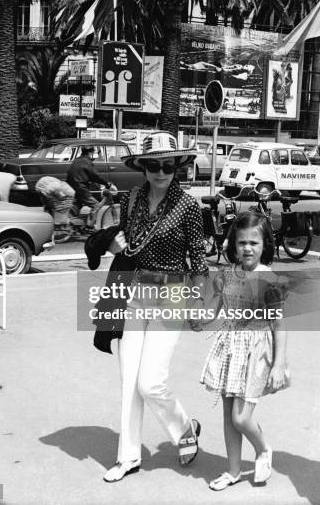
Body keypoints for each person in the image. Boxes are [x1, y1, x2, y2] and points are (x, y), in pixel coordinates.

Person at [100, 131, 208, 483]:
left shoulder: (189, 206)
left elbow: (198, 261)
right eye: (153, 166)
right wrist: (113, 247)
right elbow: (125, 245)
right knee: (129, 381)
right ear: (143, 168)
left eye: (167, 165)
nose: (161, 172)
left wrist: (198, 303)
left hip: (172, 297)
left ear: (177, 166)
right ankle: (128, 457)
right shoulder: (131, 199)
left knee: (151, 383)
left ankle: (183, 429)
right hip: (134, 296)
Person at [200, 211, 289, 491]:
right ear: (233, 245)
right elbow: (213, 310)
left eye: (254, 242)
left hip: (257, 351)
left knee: (241, 417)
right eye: (241, 243)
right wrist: (197, 319)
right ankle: (234, 470)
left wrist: (278, 364)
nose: (247, 248)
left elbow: (278, 323)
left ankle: (263, 449)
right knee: (228, 415)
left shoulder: (269, 279)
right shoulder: (226, 275)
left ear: (265, 246)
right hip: (230, 346)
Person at [66, 146, 115, 226]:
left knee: (75, 209)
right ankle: (91, 226)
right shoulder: (86, 162)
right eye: (93, 152)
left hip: (73, 188)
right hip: (81, 189)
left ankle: (70, 226)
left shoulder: (77, 160)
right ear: (90, 152)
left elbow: (85, 175)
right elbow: (95, 176)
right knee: (97, 206)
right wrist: (107, 184)